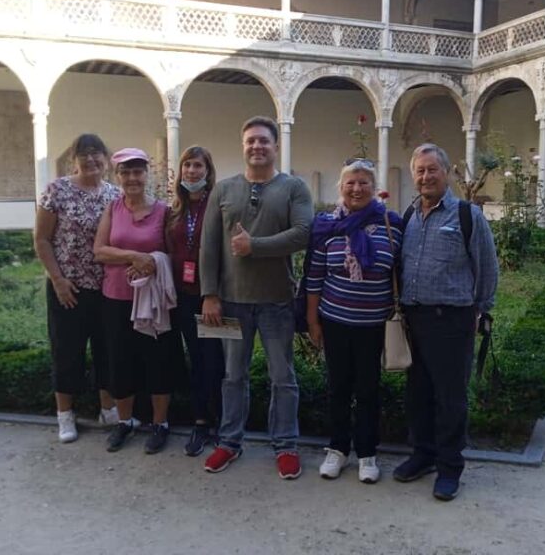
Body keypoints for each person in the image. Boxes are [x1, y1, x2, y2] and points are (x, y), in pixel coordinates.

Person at [199, 116, 313, 479]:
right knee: (233, 375)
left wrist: (255, 246)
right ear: (242, 146)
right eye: (250, 141)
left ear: (276, 146)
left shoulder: (294, 187)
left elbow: (303, 234)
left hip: (277, 301)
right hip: (230, 301)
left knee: (283, 377)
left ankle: (286, 445)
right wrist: (209, 294)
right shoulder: (223, 189)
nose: (257, 147)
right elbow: (209, 245)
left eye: (264, 141)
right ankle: (229, 442)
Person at [394, 143, 498, 501]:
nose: (425, 177)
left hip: (452, 320)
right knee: (418, 393)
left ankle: (450, 467)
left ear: (448, 173)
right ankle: (423, 455)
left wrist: (482, 309)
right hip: (414, 319)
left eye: (432, 170)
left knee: (451, 397)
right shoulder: (408, 216)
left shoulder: (468, 216)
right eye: (419, 171)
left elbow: (487, 267)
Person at [305, 158, 403, 484]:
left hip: (374, 325)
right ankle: (337, 449)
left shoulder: (392, 224)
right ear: (341, 187)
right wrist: (312, 321)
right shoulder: (326, 227)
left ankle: (367, 453)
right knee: (338, 388)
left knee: (368, 390)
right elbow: (314, 277)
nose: (357, 188)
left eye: (363, 182)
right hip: (335, 322)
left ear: (374, 189)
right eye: (351, 182)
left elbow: (400, 272)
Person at [94, 147, 183, 455]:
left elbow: (174, 254)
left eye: (137, 171)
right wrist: (134, 256)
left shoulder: (163, 211)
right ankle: (126, 421)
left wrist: (154, 261)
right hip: (116, 299)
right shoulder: (112, 209)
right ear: (117, 176)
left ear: (147, 174)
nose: (132, 178)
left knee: (158, 360)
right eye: (125, 172)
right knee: (120, 361)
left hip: (153, 302)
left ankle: (160, 424)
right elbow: (100, 250)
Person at [34, 133, 121, 444]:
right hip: (67, 287)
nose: (91, 159)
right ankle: (65, 415)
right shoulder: (56, 191)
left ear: (106, 159)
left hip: (105, 288)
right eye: (84, 154)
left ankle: (108, 409)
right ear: (74, 159)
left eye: (97, 153)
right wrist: (57, 279)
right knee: (66, 350)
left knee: (105, 349)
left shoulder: (114, 194)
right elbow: (42, 239)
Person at [165, 145, 225, 457]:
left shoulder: (218, 205)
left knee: (217, 360)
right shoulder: (175, 209)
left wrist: (211, 294)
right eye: (187, 165)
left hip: (212, 297)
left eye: (198, 165)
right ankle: (201, 421)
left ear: (207, 171)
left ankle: (221, 422)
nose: (192, 171)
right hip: (183, 298)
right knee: (197, 360)